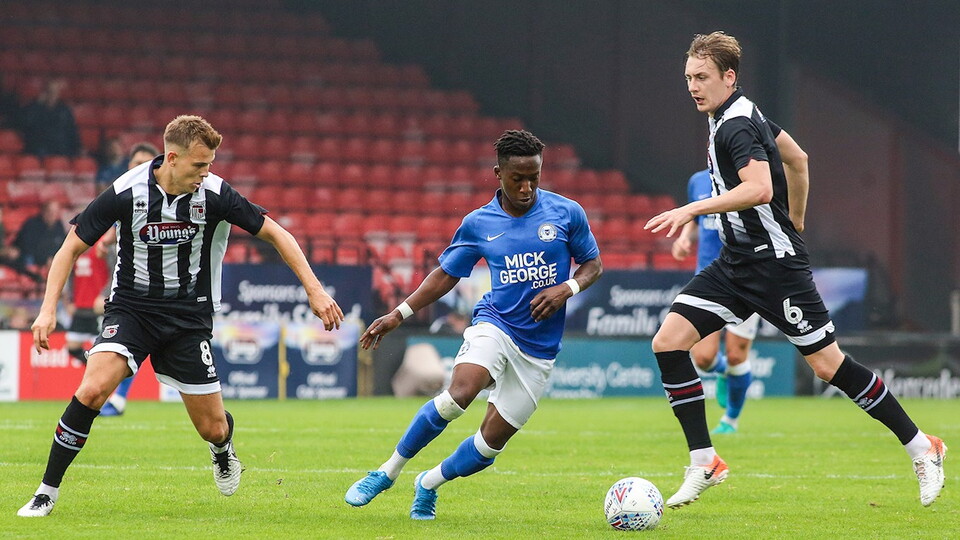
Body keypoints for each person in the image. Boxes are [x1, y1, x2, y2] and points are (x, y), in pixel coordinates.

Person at [645, 31, 946, 509]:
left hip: (775, 269)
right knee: (668, 342)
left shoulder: (735, 127)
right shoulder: (739, 112)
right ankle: (705, 461)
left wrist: (692, 209)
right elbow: (798, 159)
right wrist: (798, 218)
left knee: (828, 366)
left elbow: (761, 188)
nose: (693, 87)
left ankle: (922, 446)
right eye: (688, 78)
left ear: (729, 76)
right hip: (735, 264)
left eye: (701, 77)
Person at [18, 115, 345, 517]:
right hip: (132, 309)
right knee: (91, 391)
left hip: (188, 317)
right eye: (199, 165)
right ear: (172, 158)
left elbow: (277, 233)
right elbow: (70, 248)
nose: (206, 173)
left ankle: (222, 450)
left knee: (213, 428)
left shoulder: (216, 194)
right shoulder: (126, 191)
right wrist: (47, 309)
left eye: (209, 164)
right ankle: (46, 491)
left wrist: (314, 289)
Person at [344, 130, 602, 520]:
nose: (527, 187)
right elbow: (446, 274)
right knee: (458, 395)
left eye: (534, 177)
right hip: (495, 324)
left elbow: (593, 264)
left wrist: (567, 288)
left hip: (539, 350)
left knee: (489, 447)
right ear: (498, 174)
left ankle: (428, 483)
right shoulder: (479, 223)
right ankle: (386, 472)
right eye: (517, 178)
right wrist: (399, 313)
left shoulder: (567, 213)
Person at [672, 169, 761, 435]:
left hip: (747, 277)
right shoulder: (697, 180)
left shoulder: (751, 179)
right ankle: (725, 373)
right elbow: (696, 217)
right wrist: (684, 238)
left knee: (736, 354)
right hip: (709, 279)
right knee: (703, 358)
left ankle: (730, 421)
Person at [86, 141, 160, 417]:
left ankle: (116, 397)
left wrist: (107, 240)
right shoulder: (122, 194)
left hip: (152, 288)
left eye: (146, 163)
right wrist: (106, 240)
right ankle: (113, 396)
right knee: (118, 343)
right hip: (124, 285)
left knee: (128, 343)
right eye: (136, 163)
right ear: (128, 165)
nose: (141, 168)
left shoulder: (160, 201)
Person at [19, 79, 80, 157]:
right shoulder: (35, 108)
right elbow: (25, 123)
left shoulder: (64, 110)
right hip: (40, 148)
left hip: (61, 148)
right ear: (45, 92)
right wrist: (37, 103)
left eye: (55, 91)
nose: (52, 94)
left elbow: (72, 130)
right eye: (50, 91)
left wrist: (79, 147)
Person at [14, 200, 67, 269]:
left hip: (51, 260)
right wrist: (45, 259)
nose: (52, 215)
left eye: (55, 212)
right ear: (44, 211)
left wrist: (54, 258)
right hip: (30, 259)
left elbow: (62, 245)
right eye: (50, 211)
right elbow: (28, 247)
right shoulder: (31, 224)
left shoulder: (59, 225)